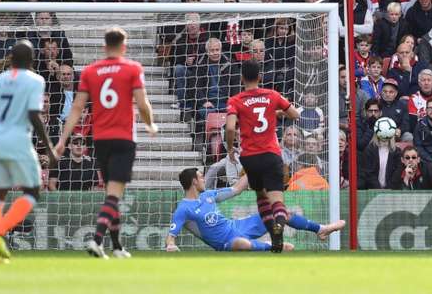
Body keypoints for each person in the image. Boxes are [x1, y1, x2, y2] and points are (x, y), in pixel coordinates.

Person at [55, 27, 157, 259]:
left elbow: (77, 108)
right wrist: (150, 124)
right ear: (124, 46)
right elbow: (142, 104)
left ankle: (118, 246)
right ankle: (97, 239)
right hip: (123, 138)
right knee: (114, 194)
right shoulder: (132, 68)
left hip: (99, 139)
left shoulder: (90, 71)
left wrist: (63, 140)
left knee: (113, 192)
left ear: (104, 46)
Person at [0, 40, 56, 263]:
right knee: (33, 190)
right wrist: (49, 147)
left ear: (10, 58)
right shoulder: (35, 80)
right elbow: (34, 115)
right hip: (19, 139)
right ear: (31, 60)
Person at [165, 169, 344, 252]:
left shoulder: (209, 195)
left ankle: (321, 229)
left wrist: (252, 166)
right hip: (226, 242)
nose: (204, 179)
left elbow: (237, 189)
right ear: (194, 182)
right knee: (241, 244)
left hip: (239, 226)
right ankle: (273, 247)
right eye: (201, 177)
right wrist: (171, 245)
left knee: (280, 212)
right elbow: (171, 235)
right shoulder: (183, 209)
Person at [225, 60, 300, 252]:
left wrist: (230, 147)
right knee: (277, 200)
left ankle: (276, 240)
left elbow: (231, 127)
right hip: (271, 154)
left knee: (261, 198)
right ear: (260, 77)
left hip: (250, 157)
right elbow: (294, 115)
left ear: (242, 78)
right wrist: (273, 112)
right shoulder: (272, 95)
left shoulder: (236, 100)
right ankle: (280, 223)